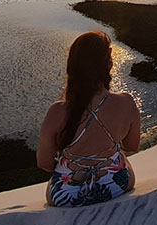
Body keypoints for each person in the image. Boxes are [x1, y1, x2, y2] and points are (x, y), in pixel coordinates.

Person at [37, 30, 141, 207]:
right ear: (108, 65)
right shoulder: (126, 102)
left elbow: (44, 163)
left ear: (72, 67)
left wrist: (72, 164)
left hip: (67, 194)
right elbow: (131, 146)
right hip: (117, 185)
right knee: (119, 156)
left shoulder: (57, 111)